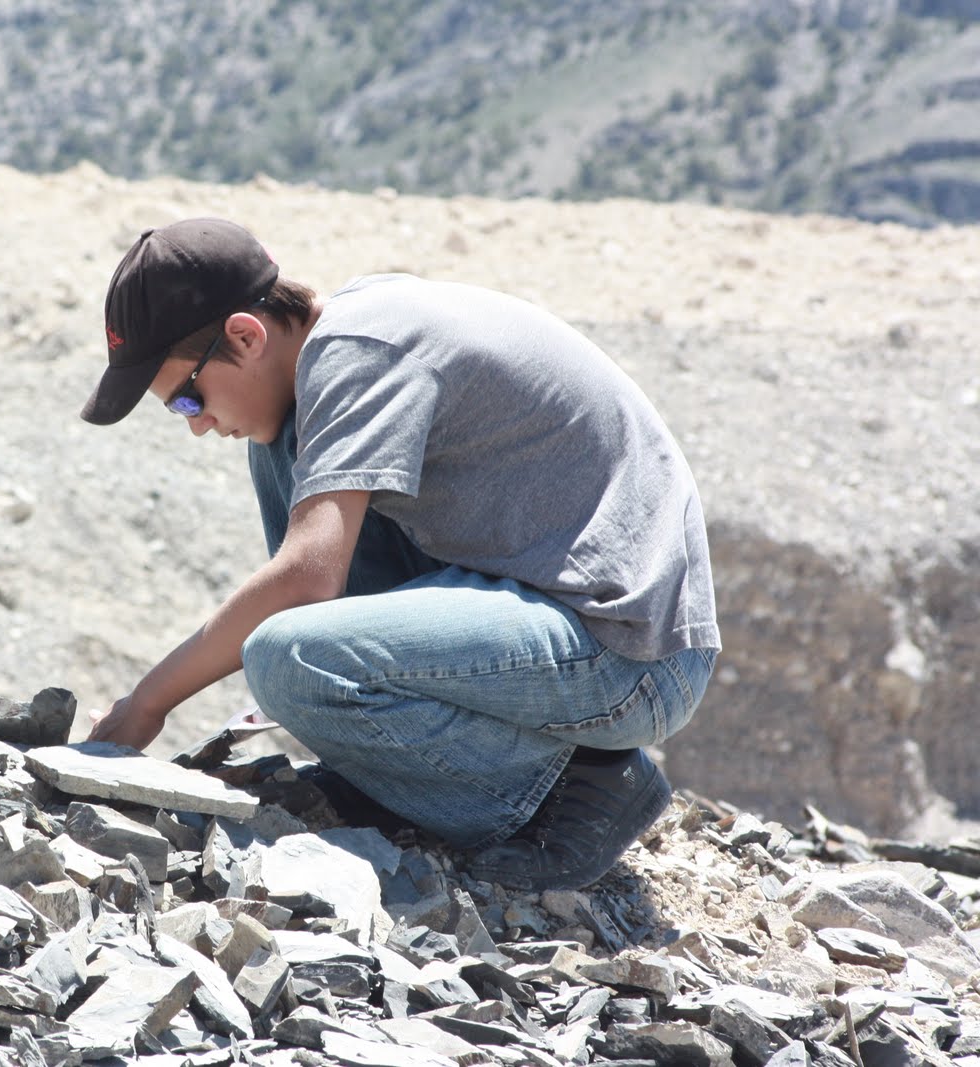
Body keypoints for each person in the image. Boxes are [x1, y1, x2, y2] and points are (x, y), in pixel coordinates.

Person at [79, 217, 719, 891]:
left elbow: (307, 581)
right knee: (280, 445)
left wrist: (146, 704)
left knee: (288, 656)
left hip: (633, 653)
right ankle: (393, 766)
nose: (195, 424)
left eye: (187, 396)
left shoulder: (359, 351)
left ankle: (578, 784)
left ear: (245, 334)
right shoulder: (338, 346)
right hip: (562, 604)